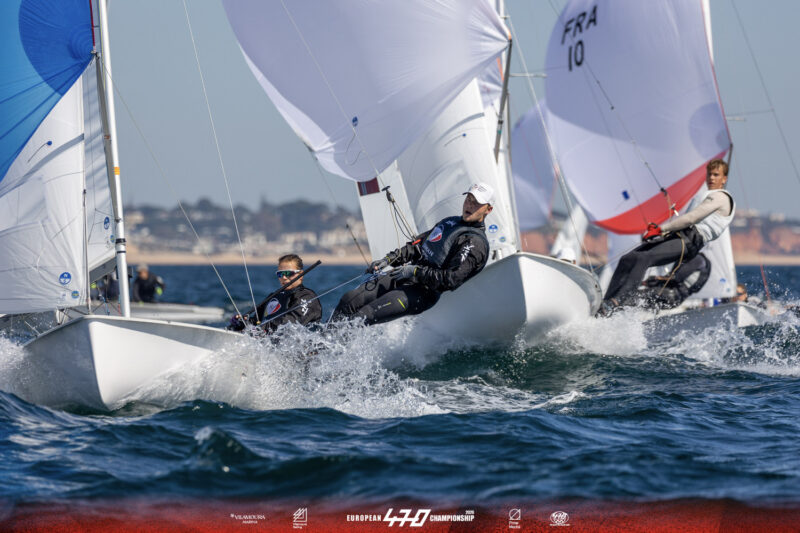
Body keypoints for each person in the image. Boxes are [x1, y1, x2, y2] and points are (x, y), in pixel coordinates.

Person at [331, 182, 493, 325]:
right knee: (349, 299)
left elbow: (450, 280)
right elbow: (417, 245)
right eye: (468, 199)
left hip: (422, 293)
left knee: (362, 316)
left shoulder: (475, 243)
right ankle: (318, 348)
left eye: (476, 203)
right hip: (404, 276)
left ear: (488, 209)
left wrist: (415, 271)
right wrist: (388, 260)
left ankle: (334, 352)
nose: (469, 205)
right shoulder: (449, 222)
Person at [602, 159, 735, 311]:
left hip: (691, 241)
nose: (711, 178)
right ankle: (606, 303)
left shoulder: (721, 197)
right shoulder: (706, 196)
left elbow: (692, 218)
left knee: (643, 258)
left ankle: (617, 302)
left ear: (724, 179)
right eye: (709, 174)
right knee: (628, 259)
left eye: (716, 175)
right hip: (680, 236)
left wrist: (661, 229)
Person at [230, 254, 322, 333]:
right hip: (266, 344)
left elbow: (291, 324)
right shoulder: (273, 296)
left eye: (289, 273)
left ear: (301, 274)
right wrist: (242, 323)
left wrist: (261, 330)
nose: (284, 278)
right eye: (280, 274)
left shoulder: (307, 297)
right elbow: (256, 321)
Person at [640, 253, 711, 309]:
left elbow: (676, 278)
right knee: (637, 303)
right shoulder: (704, 266)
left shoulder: (698, 259)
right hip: (676, 301)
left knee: (635, 297)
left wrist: (653, 279)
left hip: (671, 294)